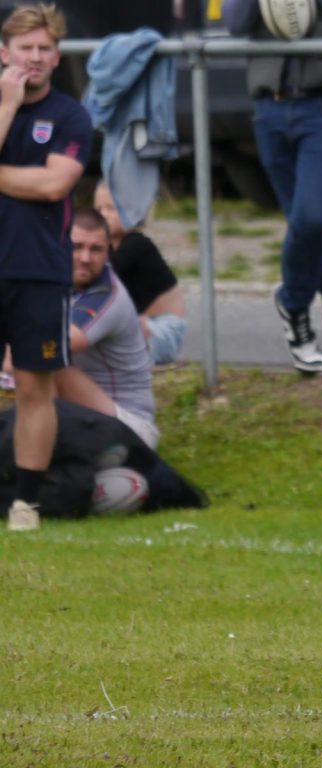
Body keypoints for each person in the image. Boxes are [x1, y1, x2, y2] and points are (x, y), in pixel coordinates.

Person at [222, 0, 322, 373]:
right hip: (270, 106)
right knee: (312, 225)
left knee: (313, 218)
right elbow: (235, 22)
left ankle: (293, 302)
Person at [0, 3, 93, 532]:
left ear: (57, 57)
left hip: (39, 270)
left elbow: (55, 184)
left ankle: (26, 505)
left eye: (44, 48)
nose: (33, 57)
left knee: (34, 387)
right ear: (4, 53)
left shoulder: (70, 116)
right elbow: (34, 180)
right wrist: (7, 106)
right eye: (24, 48)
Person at [56, 208, 159, 451]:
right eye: (76, 247)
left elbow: (60, 344)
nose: (85, 258)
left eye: (96, 249)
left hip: (130, 428)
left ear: (108, 252)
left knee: (45, 359)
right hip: (87, 415)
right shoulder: (59, 280)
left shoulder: (107, 295)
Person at [94, 179, 187, 365]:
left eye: (111, 208)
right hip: (142, 326)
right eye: (98, 209)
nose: (103, 215)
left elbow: (101, 276)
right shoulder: (110, 247)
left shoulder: (137, 245)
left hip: (162, 330)